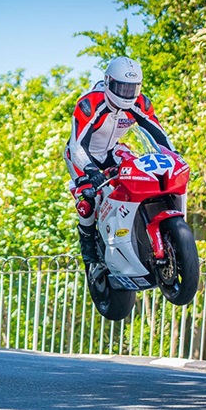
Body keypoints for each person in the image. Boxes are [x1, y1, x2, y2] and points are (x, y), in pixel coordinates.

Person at [63, 56, 177, 264]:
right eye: (121, 87)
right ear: (107, 82)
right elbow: (76, 144)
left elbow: (160, 134)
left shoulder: (141, 102)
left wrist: (175, 157)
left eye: (131, 89)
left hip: (112, 150)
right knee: (89, 198)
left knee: (139, 175)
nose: (126, 94)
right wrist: (90, 170)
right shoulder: (89, 103)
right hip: (82, 156)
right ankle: (87, 244)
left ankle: (132, 230)